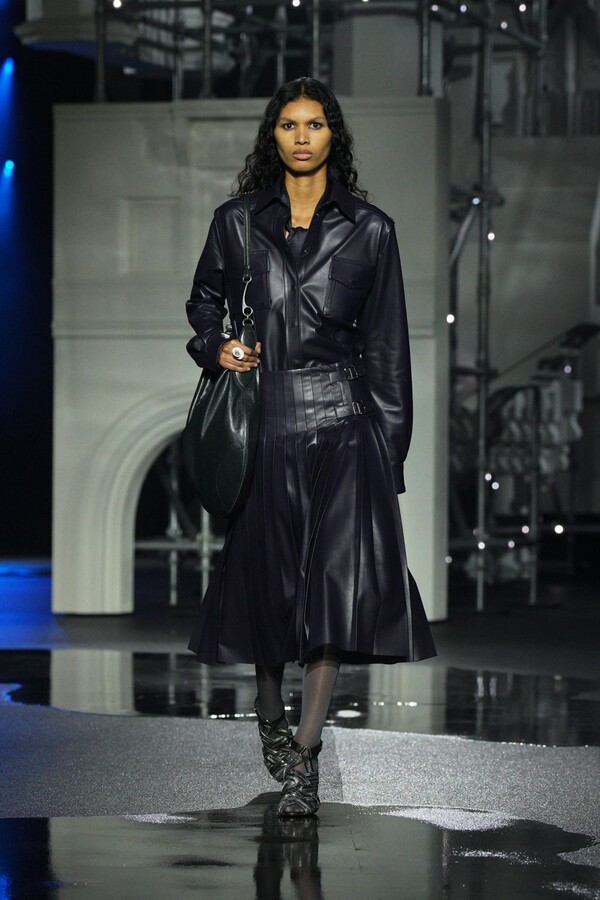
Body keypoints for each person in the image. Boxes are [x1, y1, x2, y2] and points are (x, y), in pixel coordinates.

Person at [185, 77, 436, 818]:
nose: (302, 136)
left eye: (315, 124)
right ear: (274, 135)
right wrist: (216, 345)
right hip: (264, 423)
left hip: (344, 428)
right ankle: (270, 713)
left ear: (334, 136)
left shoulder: (371, 230)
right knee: (268, 586)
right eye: (289, 124)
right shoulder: (237, 222)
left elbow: (388, 349)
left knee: (332, 592)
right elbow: (204, 300)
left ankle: (305, 751)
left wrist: (388, 453)